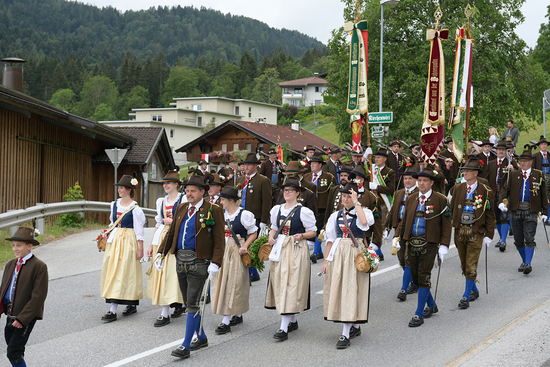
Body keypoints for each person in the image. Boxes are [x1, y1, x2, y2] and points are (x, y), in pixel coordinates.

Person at [156, 175, 225, 360]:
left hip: (199, 262)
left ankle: (185, 346)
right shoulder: (181, 207)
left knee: (192, 302)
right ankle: (201, 336)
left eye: (193, 191)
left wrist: (216, 262)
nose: (189, 194)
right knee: (189, 302)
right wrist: (160, 253)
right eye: (187, 191)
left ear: (203, 191)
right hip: (180, 260)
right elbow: (171, 233)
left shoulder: (213, 210)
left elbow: (219, 240)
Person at [395, 165, 452, 327]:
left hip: (430, 243)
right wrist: (398, 237)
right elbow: (405, 220)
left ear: (431, 183)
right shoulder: (411, 198)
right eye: (419, 180)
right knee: (415, 278)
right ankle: (432, 305)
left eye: (424, 181)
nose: (421, 183)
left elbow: (447, 224)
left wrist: (444, 246)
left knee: (424, 276)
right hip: (411, 242)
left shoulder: (441, 199)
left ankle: (418, 313)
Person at [321, 181, 375, 349]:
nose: (345, 199)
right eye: (344, 196)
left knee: (352, 289)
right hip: (339, 254)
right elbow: (330, 239)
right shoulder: (335, 215)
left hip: (355, 253)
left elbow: (364, 223)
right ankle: (354, 326)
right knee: (342, 289)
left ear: (355, 197)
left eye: (349, 196)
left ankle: (345, 333)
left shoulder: (363, 211)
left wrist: (356, 202)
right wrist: (326, 261)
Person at [265, 177, 317, 341]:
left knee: (291, 284)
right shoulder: (277, 210)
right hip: (280, 250)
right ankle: (292, 320)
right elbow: (274, 228)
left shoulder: (304, 211)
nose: (287, 193)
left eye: (290, 190)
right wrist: (271, 238)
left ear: (297, 193)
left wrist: (301, 235)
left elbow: (313, 232)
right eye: (285, 190)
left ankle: (283, 327)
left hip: (296, 250)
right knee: (281, 283)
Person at [211, 186, 257, 334]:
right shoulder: (220, 214)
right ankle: (237, 314)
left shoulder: (244, 215)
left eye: (223, 199)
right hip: (222, 251)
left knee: (233, 283)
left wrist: (245, 246)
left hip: (236, 251)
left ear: (231, 201)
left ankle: (226, 321)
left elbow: (253, 232)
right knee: (222, 282)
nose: (220, 202)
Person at [450, 159, 495, 309]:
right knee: (464, 265)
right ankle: (474, 289)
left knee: (471, 264)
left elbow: (490, 214)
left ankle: (465, 296)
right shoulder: (457, 188)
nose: (465, 173)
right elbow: (451, 208)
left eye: (468, 171)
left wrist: (489, 234)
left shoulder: (485, 190)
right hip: (460, 231)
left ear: (475, 173)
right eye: (464, 170)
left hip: (476, 231)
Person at [100, 174, 146, 322]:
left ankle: (126, 304)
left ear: (129, 190)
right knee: (114, 271)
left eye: (122, 188)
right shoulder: (114, 204)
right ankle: (116, 307)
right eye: (119, 187)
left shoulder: (135, 209)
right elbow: (112, 223)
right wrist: (108, 232)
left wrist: (140, 249)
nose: (119, 190)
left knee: (127, 271)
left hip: (129, 241)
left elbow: (140, 231)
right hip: (115, 241)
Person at [1, 227, 48, 367]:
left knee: (13, 352)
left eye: (19, 245)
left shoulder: (39, 266)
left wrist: (23, 319)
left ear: (29, 246)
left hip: (25, 316)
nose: (15, 249)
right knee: (14, 349)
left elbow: (38, 297)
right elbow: (3, 289)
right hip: (10, 313)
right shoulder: (10, 264)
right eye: (13, 245)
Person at [145, 170, 187, 327]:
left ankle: (179, 303)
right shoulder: (161, 202)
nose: (165, 185)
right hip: (162, 239)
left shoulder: (183, 199)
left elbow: (188, 220)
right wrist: (151, 245)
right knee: (162, 273)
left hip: (177, 238)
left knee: (175, 274)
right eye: (164, 183)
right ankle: (165, 312)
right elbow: (158, 224)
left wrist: (173, 220)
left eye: (168, 182)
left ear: (176, 184)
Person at [499, 147, 548, 274]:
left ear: (531, 162)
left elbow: (544, 195)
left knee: (529, 237)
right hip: (515, 210)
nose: (523, 163)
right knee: (518, 240)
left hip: (531, 211)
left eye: (526, 161)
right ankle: (525, 259)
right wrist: (501, 201)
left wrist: (546, 212)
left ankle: (528, 263)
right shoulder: (514, 175)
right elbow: (505, 189)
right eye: (521, 160)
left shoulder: (538, 175)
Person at [236, 152, 272, 282]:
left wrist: (263, 221)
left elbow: (267, 202)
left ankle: (251, 272)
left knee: (250, 244)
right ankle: (253, 271)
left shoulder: (262, 180)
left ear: (256, 166)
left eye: (249, 164)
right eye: (245, 164)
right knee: (242, 243)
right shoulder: (240, 180)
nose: (246, 167)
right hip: (240, 216)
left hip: (255, 217)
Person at [385, 166, 418, 301]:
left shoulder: (418, 194)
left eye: (410, 178)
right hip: (398, 228)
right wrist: (387, 228)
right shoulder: (399, 193)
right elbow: (392, 211)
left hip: (412, 229)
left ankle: (404, 288)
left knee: (409, 258)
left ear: (415, 180)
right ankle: (414, 281)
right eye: (405, 178)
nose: (407, 181)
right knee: (402, 259)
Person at [484, 140, 517, 251]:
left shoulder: (510, 162)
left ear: (506, 151)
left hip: (506, 194)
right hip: (493, 194)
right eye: (499, 149)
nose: (501, 151)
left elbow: (519, 176)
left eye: (503, 149)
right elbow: (486, 179)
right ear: (496, 151)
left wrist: (513, 170)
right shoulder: (491, 164)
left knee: (504, 216)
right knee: (496, 218)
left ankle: (503, 240)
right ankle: (501, 238)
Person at [303, 153, 336, 261]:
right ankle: (319, 251)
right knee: (311, 228)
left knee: (319, 228)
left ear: (320, 165)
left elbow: (333, 193)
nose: (312, 165)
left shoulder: (329, 177)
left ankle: (316, 252)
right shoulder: (306, 177)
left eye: (314, 163)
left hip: (322, 207)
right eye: (311, 164)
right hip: (308, 207)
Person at [368, 149, 396, 259]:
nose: (377, 159)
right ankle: (377, 251)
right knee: (370, 227)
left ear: (385, 159)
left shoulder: (390, 172)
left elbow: (390, 189)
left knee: (379, 228)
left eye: (379, 157)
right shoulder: (372, 169)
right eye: (376, 157)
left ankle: (377, 251)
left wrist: (377, 187)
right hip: (371, 202)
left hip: (382, 203)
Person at [533, 135, 550, 226]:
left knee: (549, 197)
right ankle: (539, 215)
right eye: (542, 144)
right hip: (540, 178)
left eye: (545, 144)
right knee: (541, 196)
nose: (544, 146)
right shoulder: (535, 155)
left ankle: (547, 216)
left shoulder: (549, 155)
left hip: (549, 177)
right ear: (539, 145)